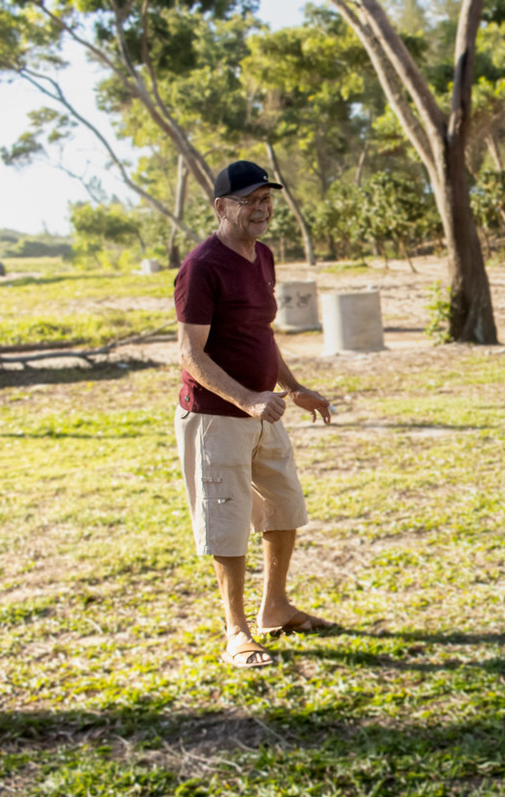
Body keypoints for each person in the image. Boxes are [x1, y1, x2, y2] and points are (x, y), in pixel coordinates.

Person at [174, 160, 335, 669]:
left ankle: (276, 608)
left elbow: (260, 334)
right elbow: (190, 355)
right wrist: (247, 399)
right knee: (228, 521)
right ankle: (237, 631)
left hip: (263, 410)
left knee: (284, 508)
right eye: (250, 201)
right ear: (221, 207)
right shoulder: (201, 267)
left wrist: (294, 386)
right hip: (215, 418)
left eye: (267, 200)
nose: (262, 210)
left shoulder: (262, 256)